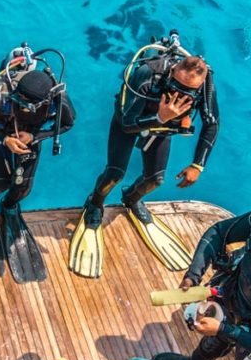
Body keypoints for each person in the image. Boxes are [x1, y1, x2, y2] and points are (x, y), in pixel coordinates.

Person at [69, 31, 220, 278]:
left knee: (156, 180)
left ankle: (131, 199)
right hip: (133, 119)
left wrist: (198, 165)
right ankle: (95, 203)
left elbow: (212, 123)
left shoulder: (205, 85)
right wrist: (161, 116)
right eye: (177, 86)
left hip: (162, 126)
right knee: (114, 174)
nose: (181, 94)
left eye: (188, 91)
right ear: (172, 72)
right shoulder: (148, 73)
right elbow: (127, 123)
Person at [0, 44, 75, 283]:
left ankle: (9, 207)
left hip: (30, 137)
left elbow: (68, 124)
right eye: (19, 100)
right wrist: (5, 139)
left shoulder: (56, 100)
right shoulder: (2, 95)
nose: (20, 103)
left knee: (24, 185)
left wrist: (35, 137)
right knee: (2, 179)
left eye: (26, 103)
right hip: (1, 134)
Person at [153, 202, 251, 360]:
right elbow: (218, 232)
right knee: (212, 343)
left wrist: (225, 330)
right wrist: (193, 275)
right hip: (233, 296)